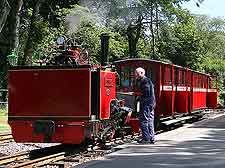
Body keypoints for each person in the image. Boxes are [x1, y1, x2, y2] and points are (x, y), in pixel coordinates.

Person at [135, 67, 156, 144]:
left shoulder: (145, 81)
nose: (135, 75)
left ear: (142, 73)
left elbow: (146, 92)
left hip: (146, 103)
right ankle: (151, 138)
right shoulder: (147, 80)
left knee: (144, 120)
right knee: (150, 120)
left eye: (136, 73)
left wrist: (137, 95)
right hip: (151, 103)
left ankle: (146, 138)